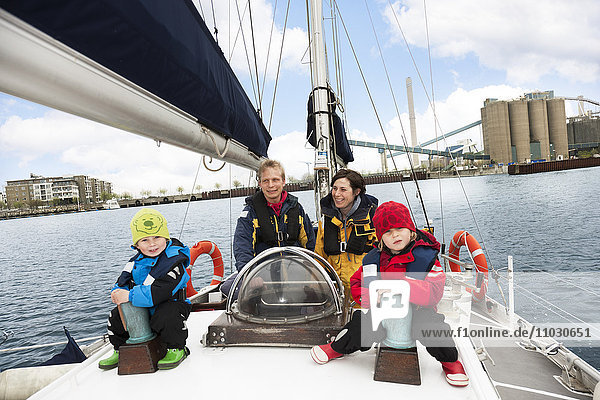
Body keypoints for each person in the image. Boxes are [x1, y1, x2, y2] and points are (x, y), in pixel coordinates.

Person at [310, 201, 469, 387]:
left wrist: (401, 285)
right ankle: (336, 348)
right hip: (384, 312)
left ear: (410, 229)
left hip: (419, 312)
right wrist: (370, 295)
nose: (394, 235)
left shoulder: (427, 259)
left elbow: (434, 293)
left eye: (399, 228)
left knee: (434, 329)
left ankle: (450, 362)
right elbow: (357, 284)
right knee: (361, 326)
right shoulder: (373, 260)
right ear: (380, 237)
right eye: (387, 232)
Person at [98, 208, 192, 370]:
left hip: (170, 303)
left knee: (167, 314)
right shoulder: (134, 262)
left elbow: (161, 291)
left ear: (165, 237)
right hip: (143, 307)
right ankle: (120, 349)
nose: (152, 244)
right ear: (136, 244)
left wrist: (129, 295)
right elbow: (122, 282)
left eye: (157, 237)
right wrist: (117, 293)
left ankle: (177, 348)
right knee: (115, 317)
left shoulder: (175, 261)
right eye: (145, 240)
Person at [220, 159, 316, 296]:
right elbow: (242, 247)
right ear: (260, 184)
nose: (271, 185)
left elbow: (311, 245)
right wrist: (250, 275)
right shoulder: (250, 213)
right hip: (265, 283)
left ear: (283, 181)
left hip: (296, 280)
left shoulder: (297, 209)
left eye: (275, 180)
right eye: (266, 181)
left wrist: (312, 273)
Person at [314, 169, 378, 298]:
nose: (337, 194)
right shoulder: (325, 221)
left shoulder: (374, 218)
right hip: (336, 292)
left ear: (356, 192)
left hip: (365, 291)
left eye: (343, 189)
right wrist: (315, 286)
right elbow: (319, 257)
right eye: (334, 188)